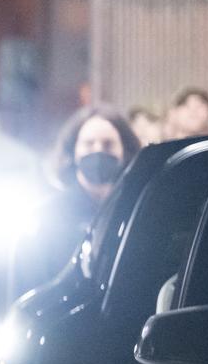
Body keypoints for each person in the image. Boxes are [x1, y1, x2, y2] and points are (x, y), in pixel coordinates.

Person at [18, 104, 139, 291]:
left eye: (108, 144)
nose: (98, 150)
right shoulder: (47, 215)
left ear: (125, 151)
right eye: (89, 144)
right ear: (73, 152)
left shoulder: (136, 210)